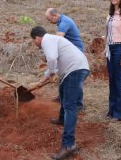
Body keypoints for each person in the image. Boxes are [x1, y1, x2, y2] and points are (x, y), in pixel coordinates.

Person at [30, 26, 89, 160]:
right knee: (63, 93)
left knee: (70, 106)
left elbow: (51, 59)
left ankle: (69, 145)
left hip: (75, 70)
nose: (35, 44)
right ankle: (62, 119)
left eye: (34, 41)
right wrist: (41, 81)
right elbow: (53, 62)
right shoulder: (53, 39)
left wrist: (52, 72)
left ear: (38, 38)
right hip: (75, 69)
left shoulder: (47, 40)